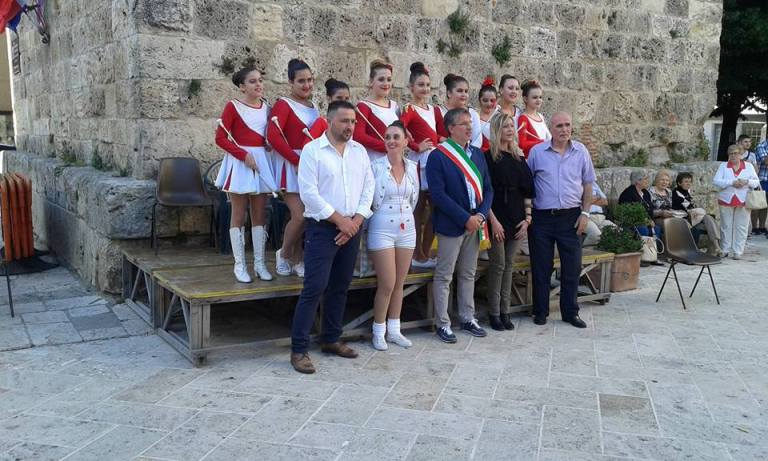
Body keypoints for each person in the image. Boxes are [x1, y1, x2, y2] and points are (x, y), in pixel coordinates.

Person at [290, 100, 375, 374]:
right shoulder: (312, 151)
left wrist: (357, 220)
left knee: (341, 285)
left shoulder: (359, 152)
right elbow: (309, 194)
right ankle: (299, 349)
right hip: (324, 228)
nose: (350, 126)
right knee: (315, 287)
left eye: (353, 121)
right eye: (344, 121)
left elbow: (368, 186)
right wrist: (340, 221)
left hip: (353, 225)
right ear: (329, 121)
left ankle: (331, 339)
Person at [426, 108, 493, 343]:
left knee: (468, 274)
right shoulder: (438, 156)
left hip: (476, 224)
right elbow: (438, 194)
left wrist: (482, 216)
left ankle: (467, 317)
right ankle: (442, 323)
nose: (469, 127)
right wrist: (465, 217)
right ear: (451, 128)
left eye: (470, 124)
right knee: (445, 275)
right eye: (463, 124)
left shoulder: (478, 154)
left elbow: (488, 189)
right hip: (452, 224)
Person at [527, 112, 595, 328]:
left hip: (571, 217)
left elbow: (588, 184)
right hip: (542, 218)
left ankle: (570, 312)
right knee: (541, 267)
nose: (564, 129)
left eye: (567, 125)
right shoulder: (537, 153)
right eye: (559, 126)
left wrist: (585, 214)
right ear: (551, 128)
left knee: (571, 267)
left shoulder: (581, 151)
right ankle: (540, 311)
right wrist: (528, 214)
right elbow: (527, 185)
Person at [214, 67, 276, 282]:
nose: (258, 84)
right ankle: (239, 265)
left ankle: (259, 264)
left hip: (261, 163)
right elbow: (221, 138)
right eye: (252, 81)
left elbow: (268, 137)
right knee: (239, 214)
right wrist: (242, 155)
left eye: (260, 80)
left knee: (260, 214)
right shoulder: (233, 107)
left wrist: (269, 145)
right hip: (241, 163)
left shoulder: (268, 108)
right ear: (242, 86)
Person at [368, 122, 420, 350]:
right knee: (387, 283)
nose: (391, 140)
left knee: (400, 282)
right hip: (381, 227)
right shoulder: (375, 166)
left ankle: (395, 329)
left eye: (396, 136)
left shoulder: (412, 167)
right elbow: (369, 197)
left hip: (406, 227)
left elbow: (414, 198)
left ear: (406, 141)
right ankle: (378, 331)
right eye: (388, 136)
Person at [268, 59, 319, 277]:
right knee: (299, 215)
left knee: (306, 216)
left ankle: (298, 259)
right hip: (291, 165)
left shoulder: (314, 106)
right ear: (291, 82)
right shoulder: (283, 104)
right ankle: (284, 252)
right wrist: (296, 161)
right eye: (301, 81)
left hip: (309, 164)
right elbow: (273, 136)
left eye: (309, 80)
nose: (306, 85)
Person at [484, 112, 534, 331]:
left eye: (511, 126)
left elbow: (527, 191)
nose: (509, 129)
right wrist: (492, 221)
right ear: (496, 129)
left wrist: (528, 219)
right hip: (496, 216)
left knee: (509, 266)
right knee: (498, 265)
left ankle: (506, 311)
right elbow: (486, 193)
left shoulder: (519, 158)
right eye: (505, 126)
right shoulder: (488, 158)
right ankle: (494, 312)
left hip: (516, 217)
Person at [400, 62, 443, 269]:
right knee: (417, 209)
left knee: (435, 209)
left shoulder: (433, 110)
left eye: (427, 85)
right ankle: (416, 254)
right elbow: (399, 131)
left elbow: (443, 133)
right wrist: (416, 146)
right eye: (420, 85)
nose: (425, 89)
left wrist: (442, 142)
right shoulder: (409, 108)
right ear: (411, 88)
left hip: (434, 161)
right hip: (419, 163)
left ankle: (425, 251)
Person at [713, 144, 760, 259]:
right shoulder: (724, 166)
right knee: (726, 226)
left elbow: (756, 182)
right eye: (731, 153)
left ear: (741, 154)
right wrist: (732, 182)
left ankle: (738, 251)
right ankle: (725, 249)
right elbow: (716, 181)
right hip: (726, 199)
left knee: (741, 226)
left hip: (743, 199)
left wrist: (746, 181)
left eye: (736, 153)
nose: (733, 156)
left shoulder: (748, 166)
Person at [354, 59, 400, 162]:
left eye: (389, 79)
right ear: (371, 82)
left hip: (394, 160)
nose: (386, 83)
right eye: (381, 79)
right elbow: (358, 136)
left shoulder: (394, 105)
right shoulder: (364, 106)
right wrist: (387, 146)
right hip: (375, 161)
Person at [671, 172, 721, 256]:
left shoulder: (688, 193)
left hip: (694, 220)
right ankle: (716, 247)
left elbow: (692, 207)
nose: (688, 184)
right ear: (679, 183)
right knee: (708, 218)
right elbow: (684, 208)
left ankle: (714, 248)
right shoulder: (675, 194)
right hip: (684, 221)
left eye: (690, 182)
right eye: (686, 181)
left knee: (709, 221)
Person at [439, 74, 483, 150]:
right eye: (459, 91)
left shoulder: (473, 114)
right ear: (449, 93)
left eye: (466, 91)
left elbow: (477, 140)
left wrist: (464, 154)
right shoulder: (439, 111)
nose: (464, 95)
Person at [618, 171, 662, 238]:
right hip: (631, 223)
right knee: (643, 229)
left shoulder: (645, 193)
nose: (648, 181)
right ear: (638, 181)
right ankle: (642, 248)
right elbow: (628, 212)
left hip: (645, 222)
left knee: (657, 228)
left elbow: (650, 209)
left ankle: (654, 248)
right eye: (645, 179)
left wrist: (650, 219)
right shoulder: (628, 193)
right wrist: (645, 220)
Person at [517, 80, 551, 158]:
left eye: (540, 97)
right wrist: (542, 142)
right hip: (531, 159)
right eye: (535, 97)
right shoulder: (523, 118)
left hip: (544, 156)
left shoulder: (540, 116)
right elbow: (522, 144)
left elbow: (548, 137)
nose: (538, 100)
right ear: (525, 99)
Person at [582, 181, 615, 247]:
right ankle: (579, 252)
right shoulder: (574, 184)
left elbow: (605, 202)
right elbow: (578, 202)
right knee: (596, 236)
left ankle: (603, 252)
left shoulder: (593, 183)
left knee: (618, 232)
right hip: (586, 217)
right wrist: (598, 198)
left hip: (601, 217)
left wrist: (589, 200)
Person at [477, 77, 498, 152]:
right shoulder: (474, 118)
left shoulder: (500, 118)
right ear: (479, 100)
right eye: (485, 100)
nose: (489, 104)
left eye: (492, 100)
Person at [756, 138, 768, 238]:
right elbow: (766, 162)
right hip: (763, 180)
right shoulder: (762, 146)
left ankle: (762, 227)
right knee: (761, 205)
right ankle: (756, 227)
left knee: (765, 206)